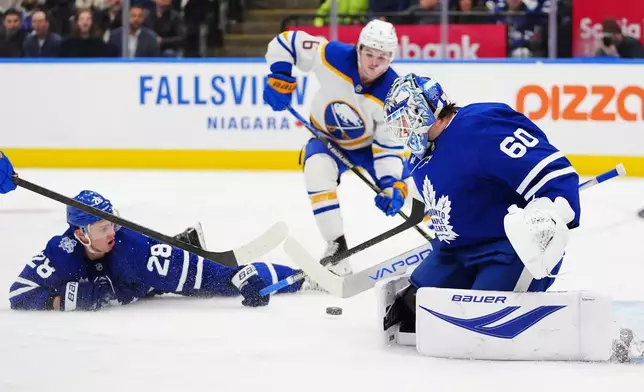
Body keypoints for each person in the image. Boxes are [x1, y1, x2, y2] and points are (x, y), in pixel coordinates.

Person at [381, 73, 581, 328]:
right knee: (411, 311)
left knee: (478, 322)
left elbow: (552, 172)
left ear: (426, 112)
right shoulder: (420, 155)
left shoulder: (480, 127)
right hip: (454, 254)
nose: (404, 130)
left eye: (406, 120)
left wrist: (553, 210)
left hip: (508, 250)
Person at [0, 153, 321, 311]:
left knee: (212, 278)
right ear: (81, 234)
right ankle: (184, 243)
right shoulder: (61, 252)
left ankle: (304, 276)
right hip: (128, 276)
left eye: (113, 222)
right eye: (102, 227)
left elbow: (216, 275)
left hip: (147, 276)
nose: (112, 230)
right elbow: (19, 294)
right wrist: (68, 300)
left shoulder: (131, 250)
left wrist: (242, 278)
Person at [263, 20, 410, 277]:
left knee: (409, 189)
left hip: (369, 149)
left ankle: (447, 243)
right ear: (358, 48)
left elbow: (388, 147)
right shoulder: (331, 55)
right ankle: (337, 246)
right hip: (327, 140)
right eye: (369, 54)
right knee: (316, 171)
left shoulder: (393, 96)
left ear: (392, 57)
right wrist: (280, 76)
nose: (374, 63)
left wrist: (390, 183)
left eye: (383, 57)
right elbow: (286, 42)